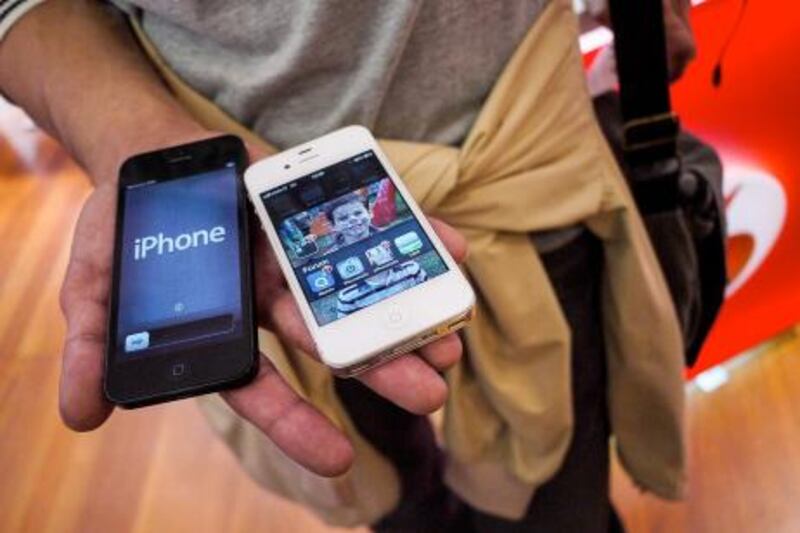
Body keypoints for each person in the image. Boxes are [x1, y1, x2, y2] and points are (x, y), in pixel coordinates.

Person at [0, 1, 697, 531]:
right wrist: (145, 145)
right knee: (395, 492)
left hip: (527, 154)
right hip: (259, 221)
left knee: (558, 494)